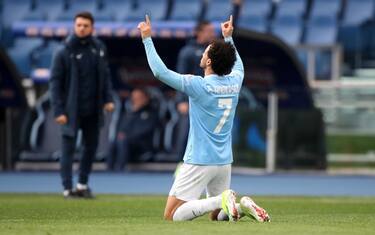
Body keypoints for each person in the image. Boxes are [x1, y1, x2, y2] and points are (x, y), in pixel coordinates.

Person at [138, 15, 270, 222]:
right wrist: (229, 38)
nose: (203, 52)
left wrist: (147, 38)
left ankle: (221, 199)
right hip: (224, 160)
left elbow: (160, 72)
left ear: (208, 61)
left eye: (206, 51)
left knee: (171, 215)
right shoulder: (235, 81)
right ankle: (241, 206)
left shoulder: (198, 85)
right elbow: (238, 64)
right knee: (217, 217)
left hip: (200, 159)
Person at [49, 11, 114, 199]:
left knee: (90, 148)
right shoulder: (64, 50)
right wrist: (58, 110)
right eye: (79, 25)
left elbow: (106, 76)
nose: (82, 28)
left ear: (92, 28)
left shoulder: (99, 48)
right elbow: (54, 83)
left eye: (86, 25)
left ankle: (82, 184)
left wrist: (108, 99)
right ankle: (67, 188)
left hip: (93, 109)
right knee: (68, 149)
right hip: (71, 110)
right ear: (74, 26)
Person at [107, 88, 158, 171]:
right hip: (127, 143)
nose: (136, 100)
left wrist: (127, 136)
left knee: (123, 141)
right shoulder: (129, 113)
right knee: (113, 142)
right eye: (134, 98)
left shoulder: (151, 113)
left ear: (146, 98)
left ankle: (120, 169)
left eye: (139, 97)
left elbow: (146, 131)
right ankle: (109, 169)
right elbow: (121, 128)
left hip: (143, 145)